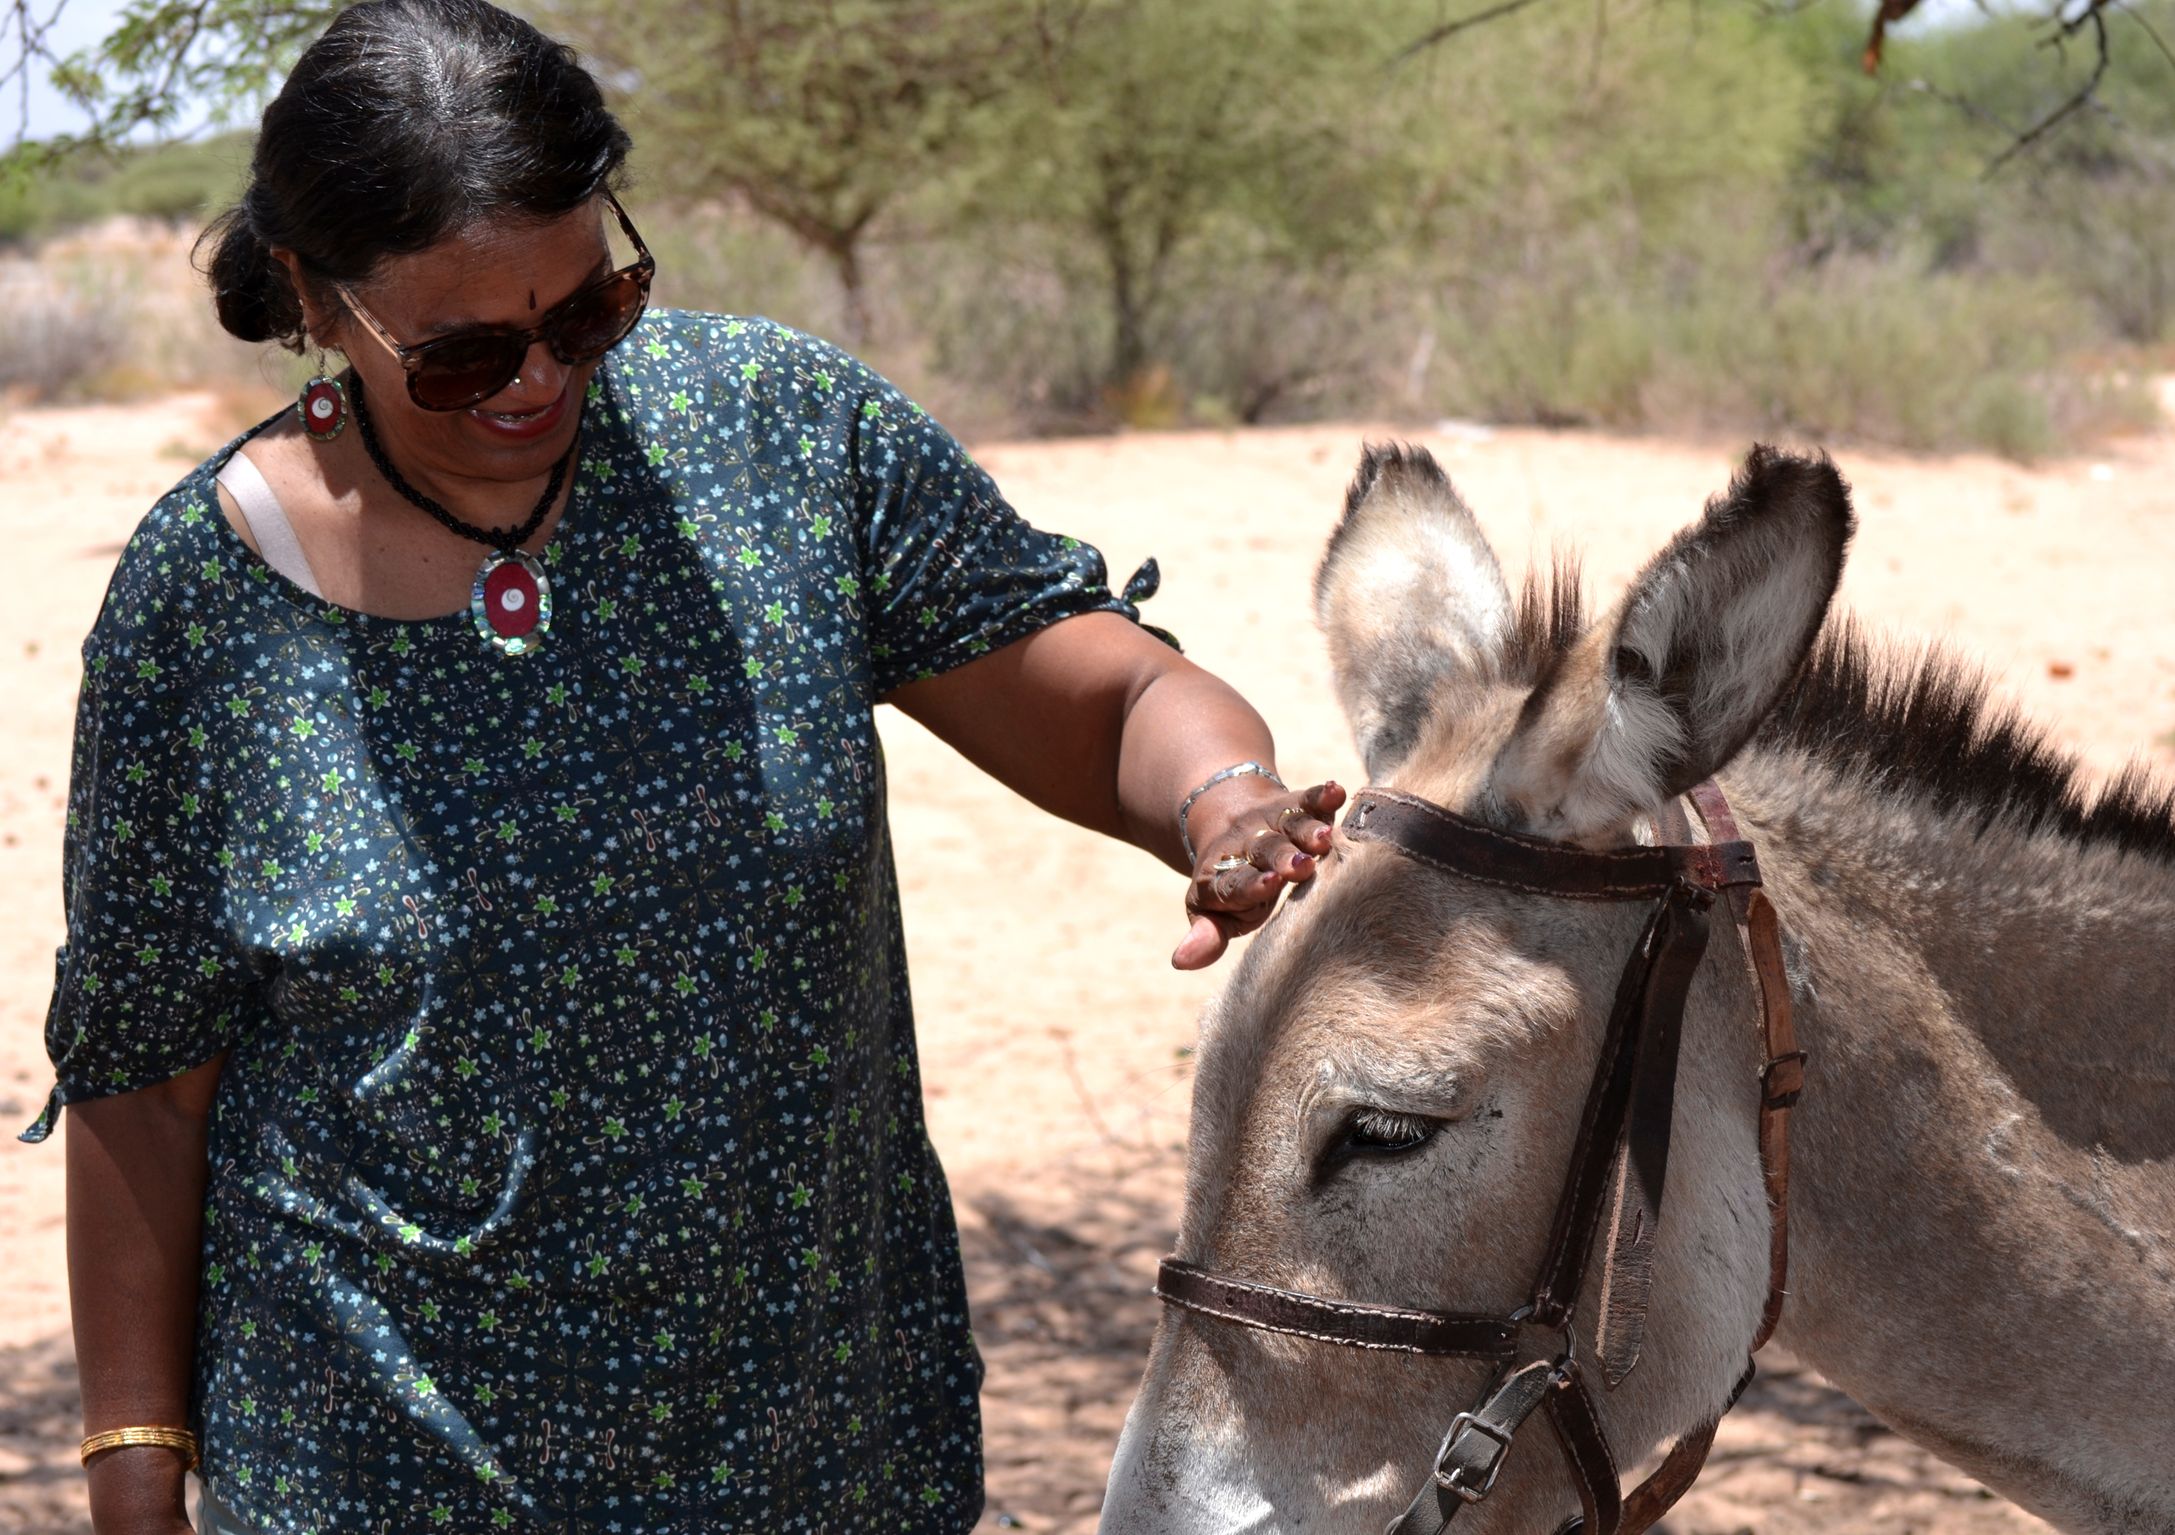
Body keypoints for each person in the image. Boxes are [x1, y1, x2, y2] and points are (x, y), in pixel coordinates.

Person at [18, 1, 1343, 1531]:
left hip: (821, 1452)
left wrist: (1221, 796)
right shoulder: (204, 605)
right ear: (316, 301)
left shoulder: (776, 439)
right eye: (460, 357)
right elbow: (145, 1083)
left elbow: (1101, 696)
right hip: (383, 1472)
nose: (535, 380)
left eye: (588, 312)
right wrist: (133, 1476)